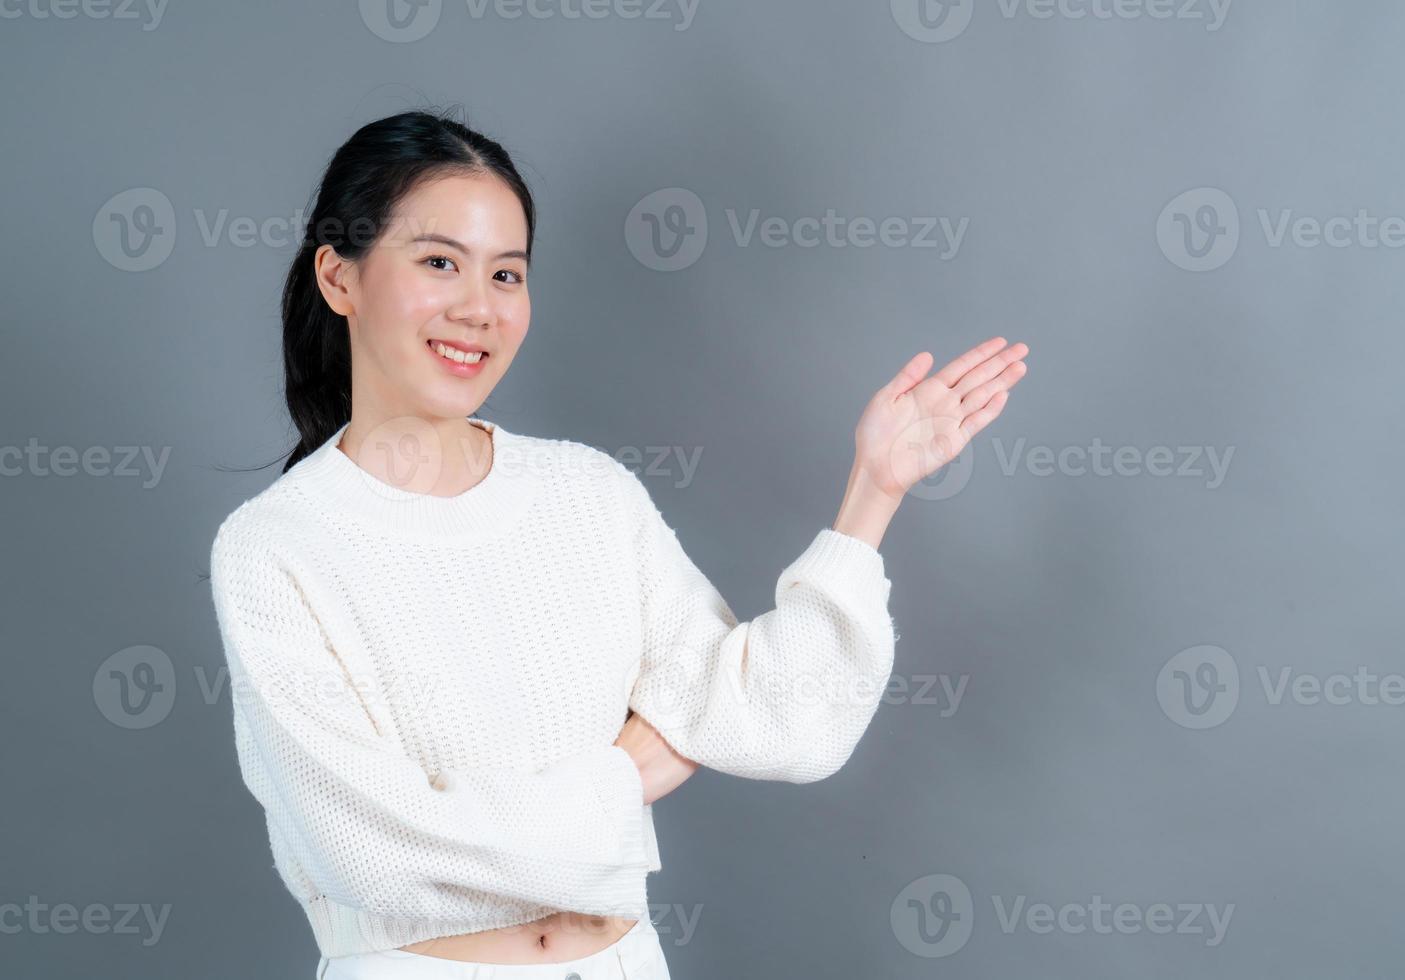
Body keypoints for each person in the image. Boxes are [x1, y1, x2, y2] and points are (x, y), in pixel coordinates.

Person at [208, 107, 1028, 980]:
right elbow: (375, 853)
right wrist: (623, 777)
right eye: (439, 263)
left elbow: (770, 714)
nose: (478, 309)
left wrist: (875, 491)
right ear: (340, 277)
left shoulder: (585, 496)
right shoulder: (276, 549)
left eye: (508, 274)